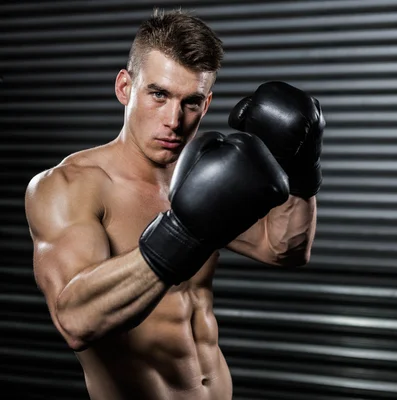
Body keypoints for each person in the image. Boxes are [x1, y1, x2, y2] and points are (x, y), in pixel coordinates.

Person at [24, 8, 324, 400]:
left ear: (208, 102)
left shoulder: (204, 170)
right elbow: (76, 321)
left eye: (192, 102)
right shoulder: (70, 186)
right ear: (124, 88)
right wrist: (182, 232)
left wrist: (302, 169)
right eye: (159, 94)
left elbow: (285, 250)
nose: (174, 120)